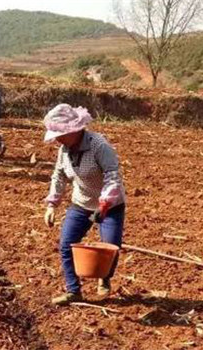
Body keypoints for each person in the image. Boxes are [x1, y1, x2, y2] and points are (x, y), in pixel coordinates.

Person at [43, 104, 126, 305]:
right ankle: (73, 290)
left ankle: (104, 277)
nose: (57, 140)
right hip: (81, 203)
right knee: (66, 245)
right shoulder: (64, 150)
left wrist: (105, 204)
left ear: (75, 131)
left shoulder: (99, 145)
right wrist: (52, 204)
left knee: (110, 247)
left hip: (110, 204)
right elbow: (59, 175)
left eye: (60, 134)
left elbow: (112, 177)